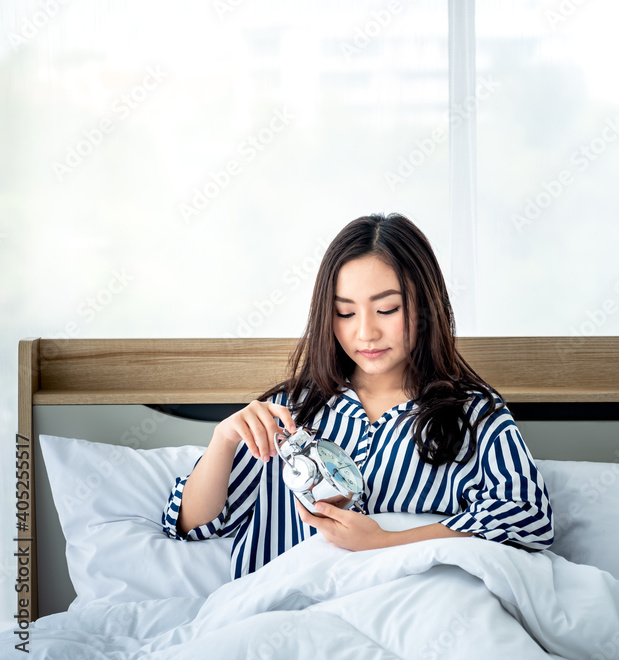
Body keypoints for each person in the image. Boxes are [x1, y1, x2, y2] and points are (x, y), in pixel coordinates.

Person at [161, 213, 554, 579]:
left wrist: (386, 542)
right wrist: (223, 440)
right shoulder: (289, 410)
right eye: (345, 313)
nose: (365, 333)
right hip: (278, 629)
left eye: (387, 309)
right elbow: (188, 525)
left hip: (401, 622)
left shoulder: (474, 414)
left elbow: (529, 518)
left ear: (426, 307)